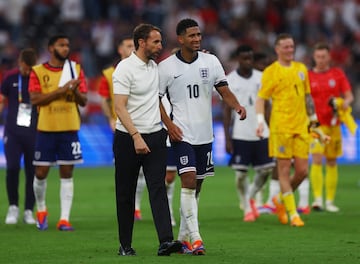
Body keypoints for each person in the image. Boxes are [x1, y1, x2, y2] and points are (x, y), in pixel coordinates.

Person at [158, 18, 246, 255]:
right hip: (181, 135)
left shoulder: (211, 61)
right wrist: (169, 126)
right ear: (180, 39)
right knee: (187, 182)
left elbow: (223, 89)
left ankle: (183, 238)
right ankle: (196, 239)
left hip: (205, 135)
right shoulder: (166, 67)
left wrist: (237, 106)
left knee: (195, 188)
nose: (197, 39)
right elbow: (155, 100)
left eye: (199, 35)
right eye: (192, 35)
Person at [112, 23, 181, 256]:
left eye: (160, 42)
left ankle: (165, 242)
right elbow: (119, 107)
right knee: (125, 192)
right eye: (156, 42)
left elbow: (157, 99)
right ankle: (125, 245)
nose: (160, 46)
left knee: (157, 188)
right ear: (142, 42)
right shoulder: (124, 69)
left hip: (155, 135)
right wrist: (135, 136)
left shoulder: (155, 67)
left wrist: (168, 125)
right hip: (128, 138)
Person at [255, 33, 321, 227]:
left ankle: (281, 200)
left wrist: (314, 121)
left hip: (301, 127)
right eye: (286, 47)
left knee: (302, 172)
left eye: (291, 46)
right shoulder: (271, 72)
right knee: (284, 171)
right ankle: (293, 214)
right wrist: (260, 121)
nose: (290, 50)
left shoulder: (301, 69)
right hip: (281, 128)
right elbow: (261, 99)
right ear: (277, 49)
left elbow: (308, 97)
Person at [28, 34, 88, 231]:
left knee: (67, 172)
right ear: (51, 47)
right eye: (61, 45)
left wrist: (75, 91)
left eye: (67, 45)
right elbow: (35, 100)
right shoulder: (37, 71)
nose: (65, 48)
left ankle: (64, 219)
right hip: (46, 128)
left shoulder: (76, 69)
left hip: (69, 127)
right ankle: (42, 209)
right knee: (41, 172)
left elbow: (84, 101)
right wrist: (60, 91)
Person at [223, 45, 275, 222]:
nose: (248, 62)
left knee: (266, 169)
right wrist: (227, 138)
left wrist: (271, 129)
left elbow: (267, 106)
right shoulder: (230, 80)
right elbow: (225, 110)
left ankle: (250, 196)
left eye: (250, 59)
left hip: (261, 132)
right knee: (241, 175)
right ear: (238, 59)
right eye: (245, 58)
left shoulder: (262, 78)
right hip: (241, 133)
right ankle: (247, 205)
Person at [97, 36, 147, 221]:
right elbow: (104, 98)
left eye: (133, 45)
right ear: (120, 49)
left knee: (142, 170)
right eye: (127, 45)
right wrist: (110, 118)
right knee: (125, 170)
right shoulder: (109, 73)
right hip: (121, 127)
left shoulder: (145, 68)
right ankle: (127, 208)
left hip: (143, 124)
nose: (131, 48)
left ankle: (136, 207)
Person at [308, 42, 354, 212]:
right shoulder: (308, 76)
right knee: (317, 159)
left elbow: (349, 97)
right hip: (315, 125)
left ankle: (330, 201)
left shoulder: (337, 74)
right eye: (318, 57)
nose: (321, 60)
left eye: (324, 57)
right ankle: (318, 199)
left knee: (332, 161)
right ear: (314, 57)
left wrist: (342, 104)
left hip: (334, 124)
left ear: (329, 57)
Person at [1, 48, 38, 225]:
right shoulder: (10, 77)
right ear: (20, 63)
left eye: (30, 68)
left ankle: (29, 210)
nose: (27, 71)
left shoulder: (38, 77)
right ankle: (13, 207)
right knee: (13, 168)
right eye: (25, 68)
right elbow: (1, 99)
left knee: (33, 172)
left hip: (34, 132)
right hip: (13, 132)